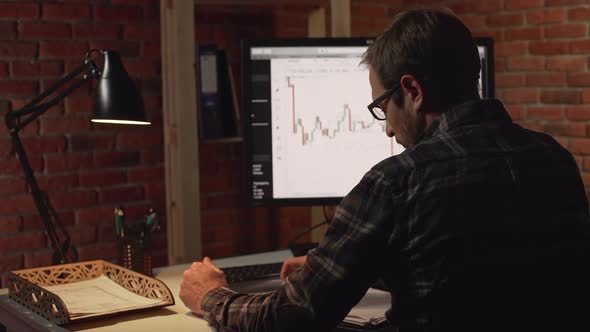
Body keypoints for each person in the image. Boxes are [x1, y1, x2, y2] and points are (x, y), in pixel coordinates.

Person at [180, 7, 590, 332]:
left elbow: (293, 317)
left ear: (412, 91)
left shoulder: (396, 181)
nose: (390, 130)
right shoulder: (554, 158)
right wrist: (361, 266)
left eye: (381, 108)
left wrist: (212, 296)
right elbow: (487, 282)